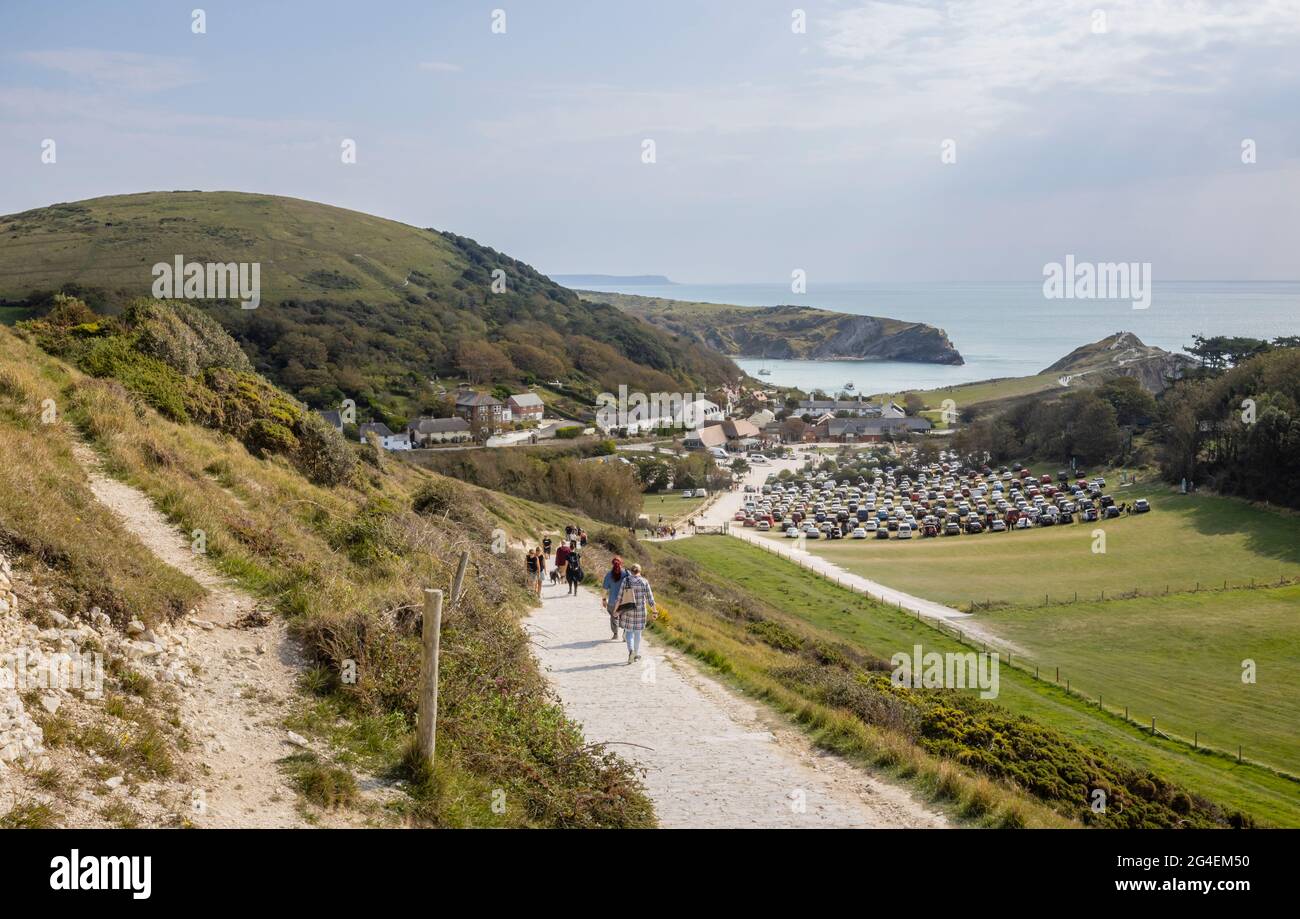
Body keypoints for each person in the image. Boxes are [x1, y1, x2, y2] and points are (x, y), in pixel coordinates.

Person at [615, 563, 656, 665]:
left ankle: (631, 651)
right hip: (641, 611)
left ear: (631, 571)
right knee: (638, 633)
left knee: (629, 632)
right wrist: (655, 611)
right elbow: (650, 599)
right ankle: (636, 654)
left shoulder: (626, 580)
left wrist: (615, 611)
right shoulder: (644, 581)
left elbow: (619, 597)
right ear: (639, 571)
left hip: (628, 610)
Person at [602, 556, 627, 640]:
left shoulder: (608, 575)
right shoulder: (626, 573)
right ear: (621, 563)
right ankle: (625, 633)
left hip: (612, 602)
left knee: (613, 617)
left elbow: (605, 589)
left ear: (612, 564)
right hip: (625, 601)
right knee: (625, 617)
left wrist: (604, 600)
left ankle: (615, 634)